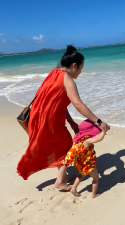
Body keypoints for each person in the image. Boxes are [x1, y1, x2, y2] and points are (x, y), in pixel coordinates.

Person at [17, 45, 111, 192]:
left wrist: (71, 122)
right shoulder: (68, 80)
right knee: (67, 146)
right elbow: (78, 104)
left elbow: (57, 102)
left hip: (39, 116)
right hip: (49, 120)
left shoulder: (54, 73)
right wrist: (98, 121)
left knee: (59, 145)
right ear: (74, 66)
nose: (80, 72)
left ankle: (63, 176)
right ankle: (60, 182)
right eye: (80, 68)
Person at [64, 119, 106, 198]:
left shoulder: (77, 137)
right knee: (96, 178)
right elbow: (99, 139)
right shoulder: (87, 140)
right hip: (88, 165)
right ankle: (93, 194)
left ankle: (73, 188)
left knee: (82, 175)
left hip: (81, 163)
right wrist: (103, 132)